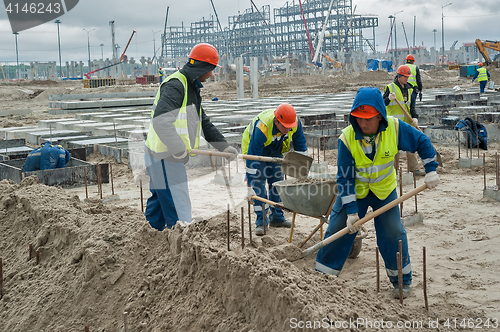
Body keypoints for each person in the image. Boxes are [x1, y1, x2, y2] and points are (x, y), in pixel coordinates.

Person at [315, 87, 440, 299]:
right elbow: (344, 178)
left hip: (384, 191)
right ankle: (322, 279)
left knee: (393, 232)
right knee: (339, 229)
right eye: (359, 118)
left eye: (369, 119)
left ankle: (401, 282)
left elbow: (422, 141)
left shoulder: (395, 128)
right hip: (356, 192)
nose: (363, 124)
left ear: (380, 116)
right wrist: (352, 212)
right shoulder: (347, 139)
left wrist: (431, 170)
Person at [143, 43, 238, 231]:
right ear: (202, 67)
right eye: (210, 70)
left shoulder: (191, 86)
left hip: (160, 153)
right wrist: (179, 150)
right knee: (179, 208)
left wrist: (223, 146)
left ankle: (148, 240)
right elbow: (161, 121)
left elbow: (203, 121)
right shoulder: (176, 85)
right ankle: (181, 247)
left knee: (160, 204)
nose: (211, 74)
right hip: (165, 155)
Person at [242, 103, 307, 236]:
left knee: (277, 182)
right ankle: (261, 222)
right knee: (259, 183)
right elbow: (253, 158)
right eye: (284, 127)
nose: (287, 130)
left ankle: (277, 218)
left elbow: (300, 145)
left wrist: (303, 168)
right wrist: (249, 185)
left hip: (275, 149)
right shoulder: (263, 128)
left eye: (290, 127)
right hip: (254, 149)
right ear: (276, 121)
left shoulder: (294, 123)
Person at [383, 64, 422, 175]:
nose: (407, 78)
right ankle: (394, 171)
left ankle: (414, 169)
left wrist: (415, 118)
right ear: (399, 76)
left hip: (407, 123)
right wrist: (389, 99)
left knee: (411, 145)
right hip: (393, 123)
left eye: (407, 76)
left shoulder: (409, 89)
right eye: (405, 76)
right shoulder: (390, 88)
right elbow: (382, 103)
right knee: (394, 149)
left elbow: (411, 107)